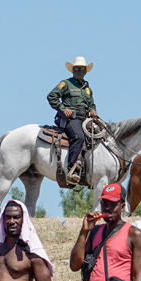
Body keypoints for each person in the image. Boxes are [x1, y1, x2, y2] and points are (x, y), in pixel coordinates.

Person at [48, 57, 97, 186]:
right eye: (77, 69)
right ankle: (72, 169)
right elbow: (51, 96)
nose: (79, 70)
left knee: (99, 136)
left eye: (82, 69)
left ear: (85, 71)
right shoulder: (65, 84)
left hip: (85, 119)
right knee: (78, 136)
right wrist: (63, 109)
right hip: (71, 119)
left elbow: (91, 104)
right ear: (73, 70)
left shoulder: (87, 88)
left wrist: (93, 110)